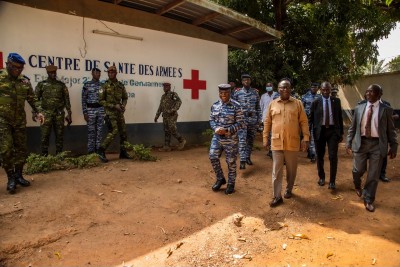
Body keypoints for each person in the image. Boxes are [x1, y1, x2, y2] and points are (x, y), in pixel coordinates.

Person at [346, 84, 397, 212]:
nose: (368, 94)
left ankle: (368, 199)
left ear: (379, 94)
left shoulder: (386, 110)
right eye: (367, 91)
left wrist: (394, 145)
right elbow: (353, 128)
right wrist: (348, 143)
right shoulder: (359, 107)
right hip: (361, 143)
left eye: (371, 92)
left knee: (373, 174)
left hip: (378, 145)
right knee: (358, 170)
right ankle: (357, 184)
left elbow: (391, 130)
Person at [0, 53, 44, 194]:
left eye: (21, 68)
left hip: (19, 121)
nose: (18, 70)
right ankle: (11, 177)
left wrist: (39, 111)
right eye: (16, 67)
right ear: (8, 64)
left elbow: (33, 99)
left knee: (21, 150)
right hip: (3, 121)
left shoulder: (24, 81)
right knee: (6, 150)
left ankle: (19, 175)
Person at [263, 78, 309, 207]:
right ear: (278, 89)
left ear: (291, 89)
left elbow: (304, 122)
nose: (284, 89)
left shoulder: (298, 104)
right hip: (277, 142)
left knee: (291, 170)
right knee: (276, 171)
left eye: (287, 87)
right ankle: (277, 196)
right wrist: (265, 138)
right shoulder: (272, 104)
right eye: (282, 87)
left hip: (292, 142)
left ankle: (289, 189)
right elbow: (267, 122)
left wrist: (305, 138)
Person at [209, 84, 244, 194]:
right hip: (217, 138)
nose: (223, 95)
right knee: (212, 156)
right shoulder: (215, 105)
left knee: (231, 162)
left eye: (226, 93)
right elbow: (211, 120)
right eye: (221, 93)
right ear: (219, 93)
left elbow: (240, 123)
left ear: (230, 93)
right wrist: (216, 128)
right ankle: (220, 178)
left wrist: (227, 130)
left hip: (231, 139)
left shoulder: (236, 106)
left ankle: (231, 184)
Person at [309, 82, 344, 190]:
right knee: (320, 156)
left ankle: (332, 181)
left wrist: (341, 133)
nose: (325, 92)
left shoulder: (336, 101)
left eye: (327, 90)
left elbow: (339, 118)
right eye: (323, 90)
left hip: (333, 131)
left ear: (330, 90)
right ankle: (322, 177)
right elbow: (311, 118)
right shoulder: (315, 102)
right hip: (320, 132)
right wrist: (307, 134)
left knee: (333, 156)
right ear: (320, 90)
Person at [97, 65, 132, 162]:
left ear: (116, 73)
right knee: (114, 131)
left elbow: (125, 97)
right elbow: (101, 101)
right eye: (109, 72)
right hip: (110, 113)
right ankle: (101, 150)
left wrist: (123, 105)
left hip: (119, 113)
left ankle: (123, 152)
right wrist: (113, 106)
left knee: (123, 132)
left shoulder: (120, 85)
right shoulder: (104, 85)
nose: (111, 74)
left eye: (112, 72)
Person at [35, 65, 71, 156]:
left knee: (59, 136)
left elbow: (67, 99)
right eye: (51, 73)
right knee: (45, 136)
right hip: (45, 114)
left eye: (54, 72)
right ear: (47, 73)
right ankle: (44, 156)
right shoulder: (41, 84)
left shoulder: (61, 85)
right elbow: (35, 100)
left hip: (58, 113)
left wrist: (69, 113)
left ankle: (59, 156)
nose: (53, 74)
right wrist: (36, 112)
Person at [232, 74, 262, 169]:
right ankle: (242, 160)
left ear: (250, 81)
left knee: (250, 140)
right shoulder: (237, 93)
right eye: (244, 80)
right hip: (242, 120)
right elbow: (234, 107)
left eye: (248, 80)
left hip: (253, 120)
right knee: (242, 140)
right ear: (242, 82)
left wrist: (259, 120)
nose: (246, 81)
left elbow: (258, 108)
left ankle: (248, 157)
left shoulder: (255, 93)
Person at [154, 82, 186, 151]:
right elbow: (160, 107)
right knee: (166, 130)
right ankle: (166, 146)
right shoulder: (163, 96)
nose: (165, 88)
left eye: (166, 87)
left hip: (172, 115)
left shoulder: (173, 94)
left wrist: (173, 109)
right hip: (165, 116)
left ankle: (182, 140)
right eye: (164, 87)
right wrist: (157, 116)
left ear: (169, 87)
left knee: (172, 128)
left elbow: (179, 102)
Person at [82, 68, 105, 154]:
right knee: (91, 131)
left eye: (99, 73)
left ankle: (98, 149)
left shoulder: (103, 85)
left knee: (99, 131)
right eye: (96, 73)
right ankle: (90, 151)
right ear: (92, 74)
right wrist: (85, 112)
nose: (98, 75)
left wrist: (104, 111)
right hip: (90, 110)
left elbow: (104, 99)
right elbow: (83, 100)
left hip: (100, 110)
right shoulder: (87, 85)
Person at [301, 82, 321, 163]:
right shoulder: (304, 97)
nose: (314, 88)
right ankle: (309, 151)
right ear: (310, 87)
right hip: (306, 120)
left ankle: (313, 154)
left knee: (313, 136)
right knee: (306, 135)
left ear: (318, 88)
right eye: (312, 87)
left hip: (315, 120)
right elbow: (301, 109)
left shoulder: (320, 97)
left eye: (315, 87)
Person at [260, 82, 278, 158]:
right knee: (267, 134)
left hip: (275, 118)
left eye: (270, 86)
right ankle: (270, 150)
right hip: (266, 118)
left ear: (273, 87)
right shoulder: (263, 96)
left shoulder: (277, 95)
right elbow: (261, 107)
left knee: (274, 134)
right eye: (267, 86)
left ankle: (273, 150)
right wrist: (261, 119)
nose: (269, 87)